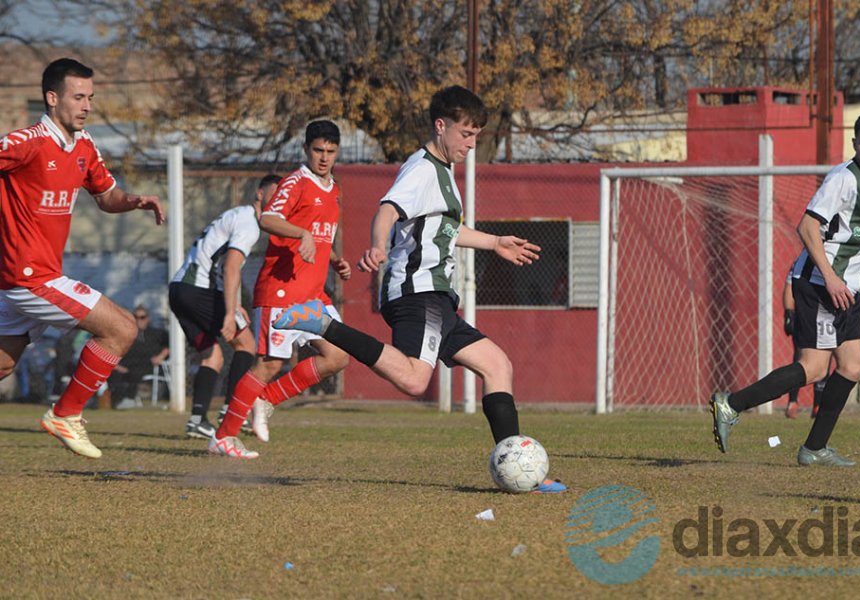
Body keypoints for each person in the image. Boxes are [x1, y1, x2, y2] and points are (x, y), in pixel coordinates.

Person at [273, 86, 566, 493]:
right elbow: (388, 210)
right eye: (466, 133)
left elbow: (443, 230)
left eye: (476, 134)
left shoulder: (443, 172)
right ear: (441, 126)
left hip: (437, 295)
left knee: (498, 366)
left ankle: (518, 469)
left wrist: (495, 243)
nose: (472, 142)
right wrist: (378, 243)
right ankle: (324, 326)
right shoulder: (424, 168)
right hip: (418, 291)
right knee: (414, 380)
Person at [710, 112, 860, 467]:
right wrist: (828, 276)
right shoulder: (843, 179)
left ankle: (813, 449)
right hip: (818, 283)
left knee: (853, 365)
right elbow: (807, 226)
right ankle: (730, 404)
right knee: (812, 368)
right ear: (854, 144)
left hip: (845, 288)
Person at [0, 58, 165, 458]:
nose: (87, 105)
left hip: (35, 278)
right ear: (52, 98)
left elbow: (106, 197)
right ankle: (65, 414)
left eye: (90, 97)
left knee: (3, 366)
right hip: (29, 277)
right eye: (78, 97)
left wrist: (134, 201)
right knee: (122, 328)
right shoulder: (27, 143)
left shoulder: (84, 146)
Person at [208, 120, 352, 458]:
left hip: (313, 293)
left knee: (338, 356)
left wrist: (333, 259)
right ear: (306, 149)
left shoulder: (334, 189)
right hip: (282, 290)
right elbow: (268, 218)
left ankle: (266, 400)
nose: (324, 157)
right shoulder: (296, 182)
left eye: (330, 152)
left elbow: (317, 232)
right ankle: (224, 436)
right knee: (271, 364)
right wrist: (301, 235)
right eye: (318, 150)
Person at [169, 175, 279, 438]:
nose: (278, 201)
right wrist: (230, 312)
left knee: (212, 356)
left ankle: (197, 420)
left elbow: (223, 265)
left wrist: (235, 303)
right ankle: (232, 410)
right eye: (274, 194)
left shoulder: (236, 215)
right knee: (246, 345)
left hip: (179, 290)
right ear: (260, 194)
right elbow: (230, 267)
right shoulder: (249, 223)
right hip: (199, 290)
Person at [782, 271, 828, 419]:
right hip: (805, 316)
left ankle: (818, 404)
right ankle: (792, 402)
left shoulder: (833, 257)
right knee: (800, 357)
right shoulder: (801, 261)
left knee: (825, 359)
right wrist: (789, 313)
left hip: (825, 313)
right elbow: (790, 284)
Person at [106, 305, 169, 408]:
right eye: (136, 317)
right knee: (113, 372)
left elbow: (170, 346)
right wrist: (117, 365)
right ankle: (116, 400)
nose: (139, 320)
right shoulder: (128, 334)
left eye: (142, 317)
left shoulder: (157, 333)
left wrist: (160, 357)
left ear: (148, 318)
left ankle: (129, 398)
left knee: (134, 372)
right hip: (126, 363)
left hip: (148, 364)